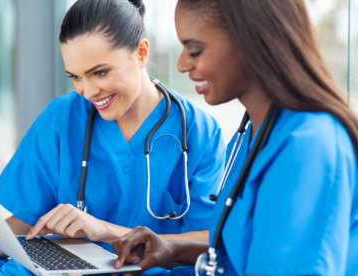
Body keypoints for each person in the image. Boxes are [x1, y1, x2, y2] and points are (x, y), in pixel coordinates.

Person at [0, 0, 226, 275]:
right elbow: (30, 222)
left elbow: (208, 242)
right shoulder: (62, 117)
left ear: (141, 52)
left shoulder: (197, 132)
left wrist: (106, 231)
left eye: (100, 72)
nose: (88, 91)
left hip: (148, 268)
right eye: (75, 77)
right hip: (70, 267)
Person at [113, 0, 358, 275]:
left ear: (252, 40)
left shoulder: (310, 146)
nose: (182, 64)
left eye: (195, 50)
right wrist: (171, 249)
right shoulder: (250, 135)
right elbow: (242, 251)